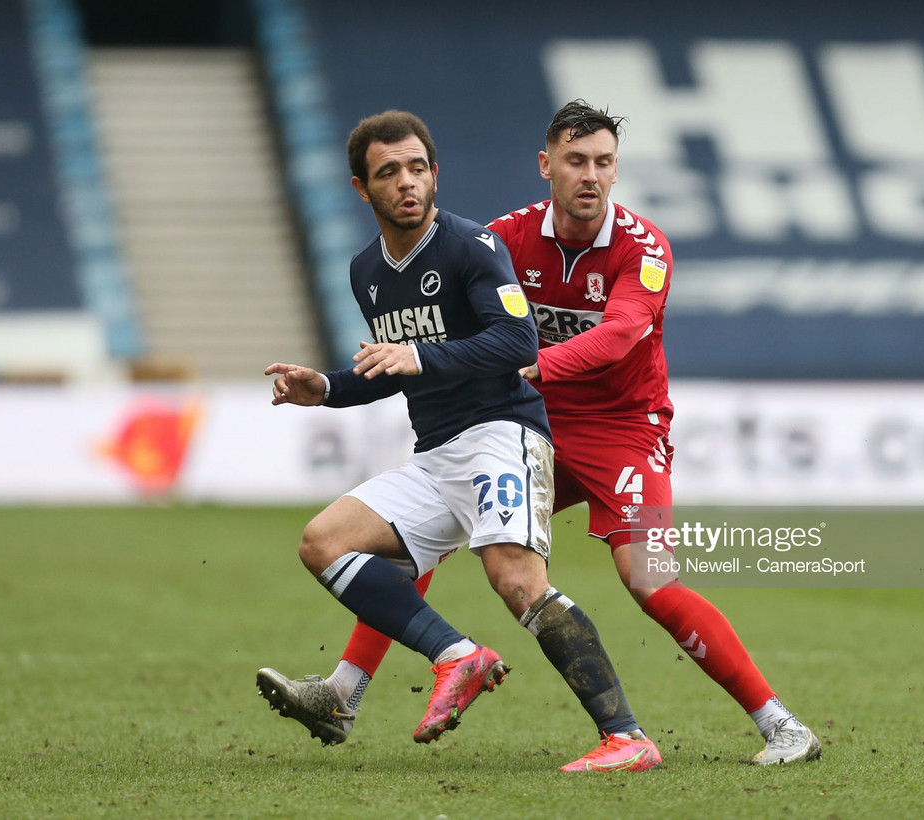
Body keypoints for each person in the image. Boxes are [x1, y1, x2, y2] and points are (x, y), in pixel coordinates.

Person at [264, 101, 821, 766]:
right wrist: (333, 385)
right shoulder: (505, 239)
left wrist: (532, 360)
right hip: (529, 420)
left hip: (623, 431)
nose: (591, 175)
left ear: (617, 172)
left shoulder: (643, 248)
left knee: (651, 581)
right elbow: (431, 339)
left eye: (604, 163)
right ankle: (344, 692)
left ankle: (781, 725)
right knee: (419, 544)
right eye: (576, 161)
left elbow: (620, 334)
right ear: (546, 166)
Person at [256, 109, 661, 773]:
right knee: (323, 542)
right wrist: (326, 389)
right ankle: (457, 656)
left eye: (418, 169)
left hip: (503, 434)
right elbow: (396, 370)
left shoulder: (472, 246)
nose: (408, 183)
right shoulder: (367, 272)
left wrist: (419, 356)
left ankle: (627, 737)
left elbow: (517, 342)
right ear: (362, 188)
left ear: (436, 174)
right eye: (390, 173)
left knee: (516, 581)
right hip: (437, 453)